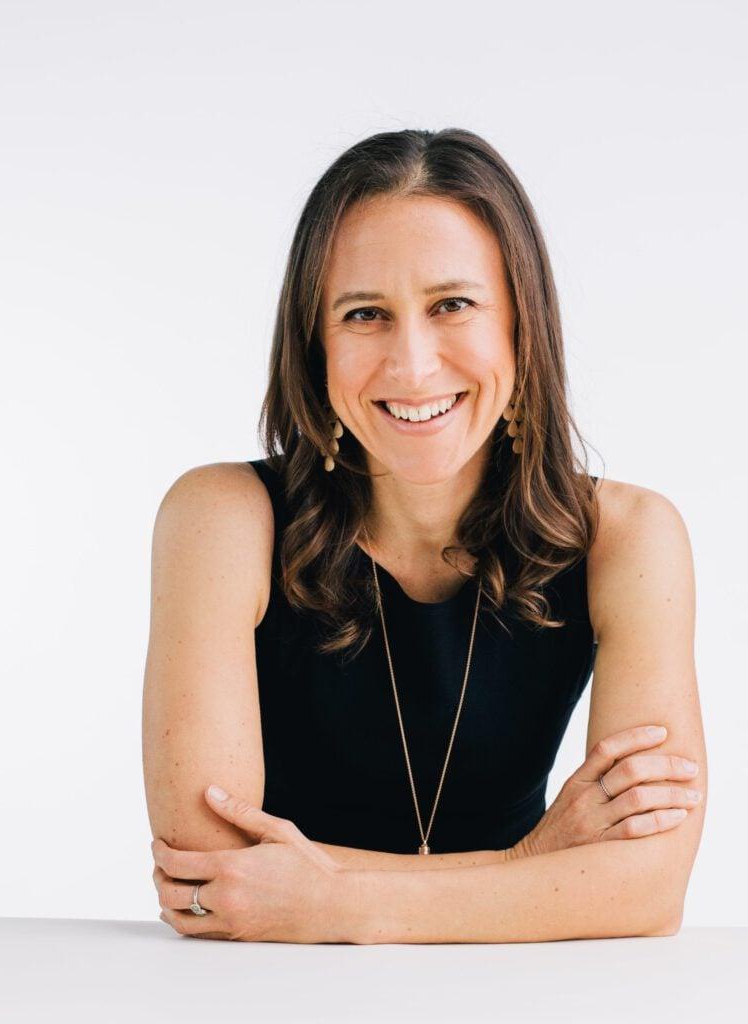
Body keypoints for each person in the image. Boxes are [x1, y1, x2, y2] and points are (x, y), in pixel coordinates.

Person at [143, 128, 706, 943]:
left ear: (521, 321)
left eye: (452, 305)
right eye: (364, 314)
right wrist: (533, 864)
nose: (411, 366)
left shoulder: (628, 537)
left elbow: (649, 888)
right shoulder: (223, 517)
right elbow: (212, 875)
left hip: (524, 1000)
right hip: (268, 997)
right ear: (315, 343)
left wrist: (331, 901)